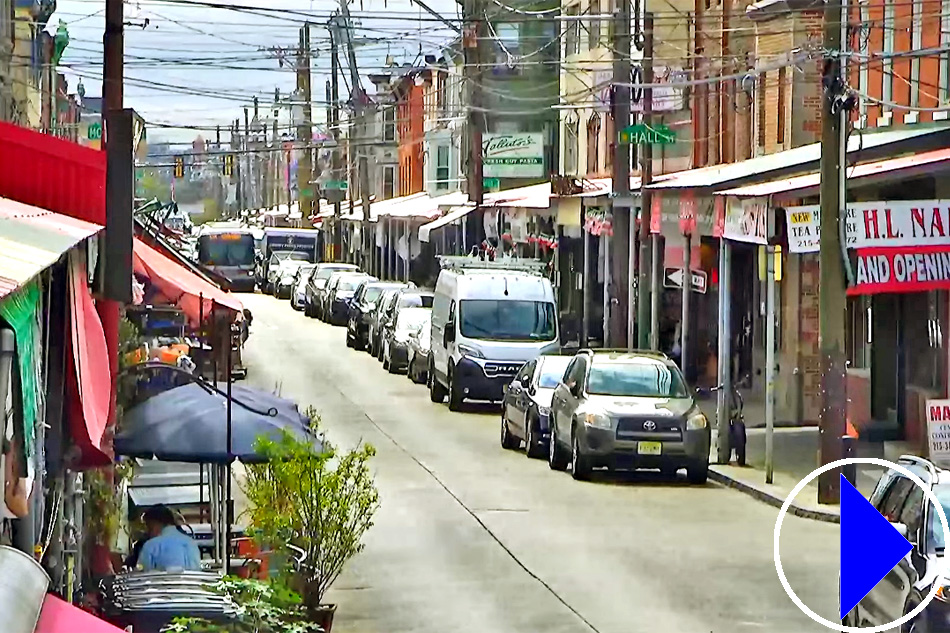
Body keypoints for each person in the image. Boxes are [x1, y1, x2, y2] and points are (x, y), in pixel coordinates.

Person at [136, 505, 201, 572]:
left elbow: (142, 574)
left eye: (148, 526)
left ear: (154, 524)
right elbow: (197, 571)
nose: (148, 532)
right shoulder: (190, 543)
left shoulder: (150, 546)